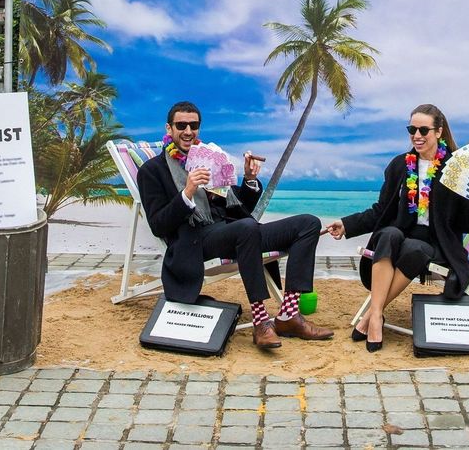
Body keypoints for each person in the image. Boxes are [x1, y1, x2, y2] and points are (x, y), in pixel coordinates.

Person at [136, 100, 335, 350]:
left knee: (308, 223)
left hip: (235, 233)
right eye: (181, 125)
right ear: (169, 128)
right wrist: (187, 192)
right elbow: (158, 225)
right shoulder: (152, 171)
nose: (188, 131)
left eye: (194, 125)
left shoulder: (209, 160)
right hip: (196, 241)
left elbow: (238, 206)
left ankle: (288, 316)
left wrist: (250, 179)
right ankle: (261, 322)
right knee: (247, 228)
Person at [326, 103, 469, 351]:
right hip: (400, 233)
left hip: (436, 242)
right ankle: (375, 318)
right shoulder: (400, 165)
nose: (417, 135)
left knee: (415, 249)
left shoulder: (454, 168)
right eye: (412, 129)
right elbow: (381, 211)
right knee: (389, 234)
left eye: (423, 130)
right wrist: (346, 224)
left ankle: (371, 317)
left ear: (438, 132)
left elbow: (465, 223)